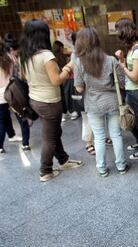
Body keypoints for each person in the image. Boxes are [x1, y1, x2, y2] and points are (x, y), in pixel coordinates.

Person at [20, 19, 83, 182]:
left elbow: (23, 77)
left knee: (54, 132)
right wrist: (69, 66)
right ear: (43, 35)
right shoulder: (46, 55)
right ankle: (45, 171)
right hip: (49, 101)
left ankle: (63, 160)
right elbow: (56, 80)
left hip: (35, 99)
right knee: (50, 137)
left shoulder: (25, 55)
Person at [74, 26, 128, 177]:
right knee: (116, 135)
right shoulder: (111, 60)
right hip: (112, 102)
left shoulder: (79, 62)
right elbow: (122, 83)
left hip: (92, 104)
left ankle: (102, 168)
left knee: (98, 137)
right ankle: (121, 166)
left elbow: (78, 88)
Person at [115, 18, 138, 160]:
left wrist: (123, 66)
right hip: (132, 90)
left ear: (125, 31)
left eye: (118, 30)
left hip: (137, 91)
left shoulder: (137, 50)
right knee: (134, 121)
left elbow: (135, 77)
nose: (117, 33)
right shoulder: (132, 48)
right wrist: (123, 60)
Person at [1, 35, 31, 150]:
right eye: (17, 49)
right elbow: (19, 76)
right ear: (11, 49)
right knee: (21, 116)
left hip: (3, 95)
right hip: (13, 93)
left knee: (3, 120)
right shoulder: (12, 60)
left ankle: (2, 145)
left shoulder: (6, 59)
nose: (18, 51)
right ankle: (25, 143)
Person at [52, 41, 78, 121]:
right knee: (69, 95)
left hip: (57, 80)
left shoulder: (52, 58)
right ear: (60, 48)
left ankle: (64, 113)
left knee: (61, 97)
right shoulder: (64, 57)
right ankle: (73, 111)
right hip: (67, 79)